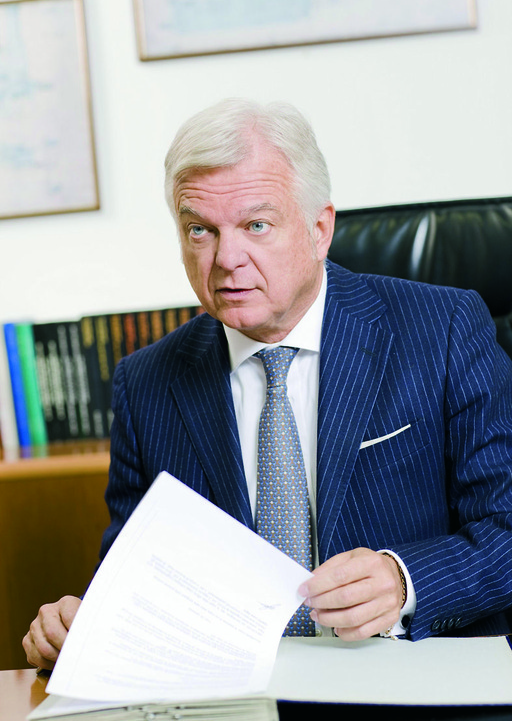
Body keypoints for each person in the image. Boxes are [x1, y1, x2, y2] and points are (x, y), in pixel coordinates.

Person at [23, 99, 512, 670]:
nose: (227, 259)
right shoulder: (146, 382)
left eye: (256, 225)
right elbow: (135, 583)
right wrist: (79, 626)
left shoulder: (442, 329)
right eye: (201, 230)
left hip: (412, 675)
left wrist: (406, 582)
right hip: (237, 690)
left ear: (319, 229)